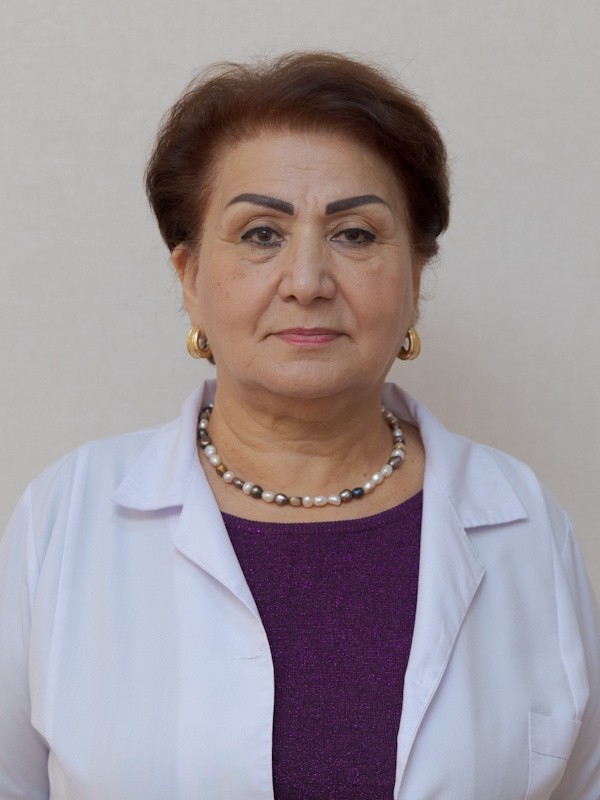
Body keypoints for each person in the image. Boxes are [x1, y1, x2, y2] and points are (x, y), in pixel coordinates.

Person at [1, 51, 599, 800]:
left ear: (415, 279)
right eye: (261, 233)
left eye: (355, 234)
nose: (308, 282)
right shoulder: (67, 517)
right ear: (190, 278)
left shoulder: (526, 523)